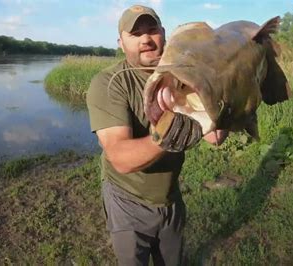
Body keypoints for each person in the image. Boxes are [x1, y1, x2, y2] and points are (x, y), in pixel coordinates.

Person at [86, 5, 227, 265]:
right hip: (127, 200)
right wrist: (167, 135)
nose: (146, 40)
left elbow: (215, 137)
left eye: (152, 30)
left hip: (171, 197)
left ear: (164, 33)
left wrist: (223, 93)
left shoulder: (182, 74)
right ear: (120, 42)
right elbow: (120, 158)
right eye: (135, 34)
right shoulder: (109, 82)